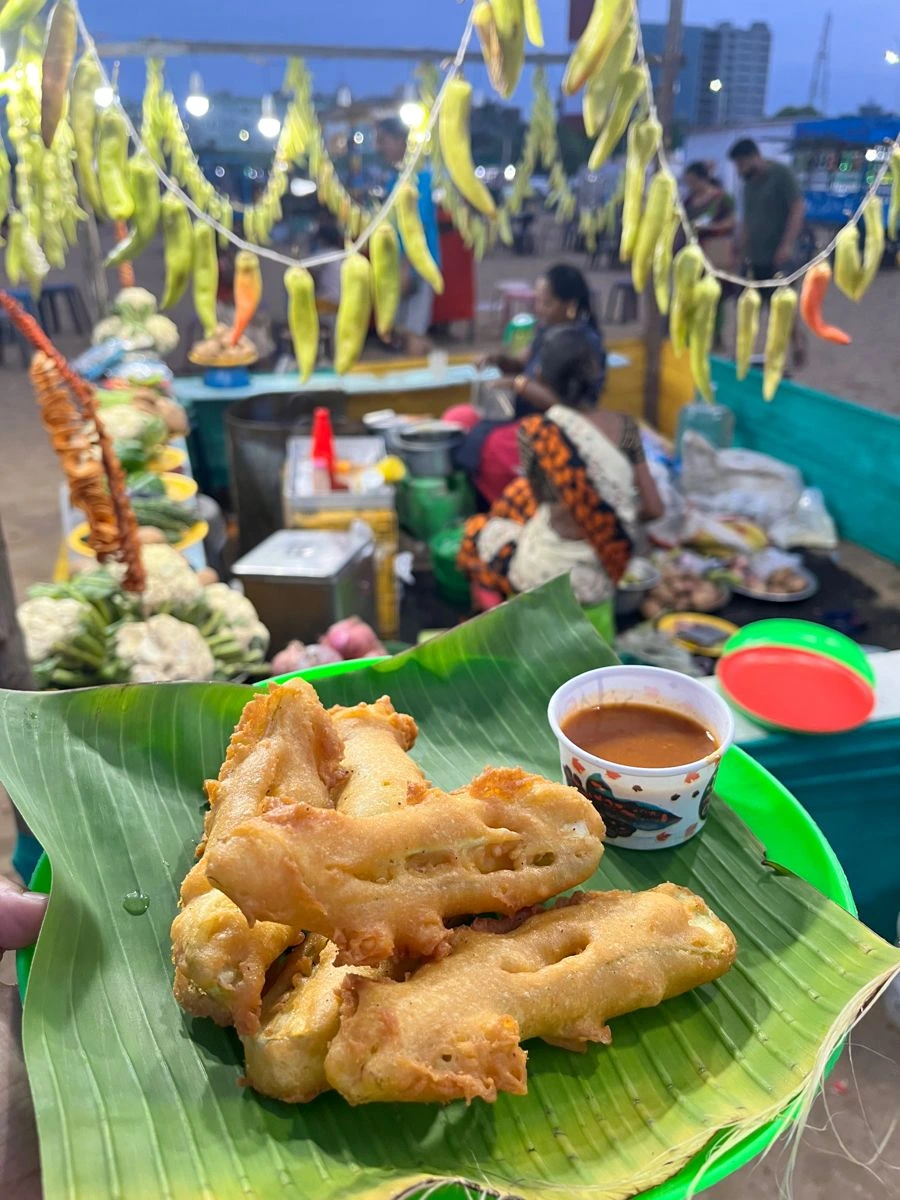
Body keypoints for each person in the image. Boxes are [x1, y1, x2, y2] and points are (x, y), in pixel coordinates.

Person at [458, 324, 662, 609]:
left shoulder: (537, 433)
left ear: (541, 376)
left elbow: (545, 502)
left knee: (478, 532)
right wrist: (612, 515)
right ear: (603, 375)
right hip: (604, 574)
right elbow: (654, 509)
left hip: (547, 575)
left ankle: (488, 613)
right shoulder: (626, 428)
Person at [447, 264, 607, 506]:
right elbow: (521, 363)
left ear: (570, 305)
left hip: (555, 423)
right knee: (457, 418)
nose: (538, 309)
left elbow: (568, 407)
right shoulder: (547, 329)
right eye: (538, 301)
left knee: (491, 445)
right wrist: (496, 359)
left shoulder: (584, 344)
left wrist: (518, 384)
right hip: (522, 410)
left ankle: (493, 505)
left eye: (546, 303)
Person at [728, 138, 807, 364]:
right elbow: (746, 221)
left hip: (781, 257)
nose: (739, 170)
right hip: (755, 257)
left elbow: (797, 207)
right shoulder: (748, 184)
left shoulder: (781, 175)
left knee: (781, 308)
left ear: (754, 156)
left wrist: (787, 243)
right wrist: (739, 252)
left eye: (741, 164)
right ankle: (745, 353)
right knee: (748, 307)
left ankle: (796, 344)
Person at [375, 117, 441, 356]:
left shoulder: (419, 177)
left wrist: (407, 265)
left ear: (401, 141)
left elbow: (417, 227)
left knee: (413, 332)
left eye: (383, 141)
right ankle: (438, 370)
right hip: (401, 265)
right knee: (403, 331)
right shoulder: (397, 178)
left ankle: (431, 382)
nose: (379, 148)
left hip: (417, 265)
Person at [679, 162, 737, 349]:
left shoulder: (721, 198)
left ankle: (714, 335)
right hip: (691, 254)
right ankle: (691, 334)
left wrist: (710, 227)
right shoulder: (688, 201)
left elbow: (732, 222)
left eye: (692, 181)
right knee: (690, 293)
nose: (690, 185)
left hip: (715, 252)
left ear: (701, 179)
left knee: (715, 295)